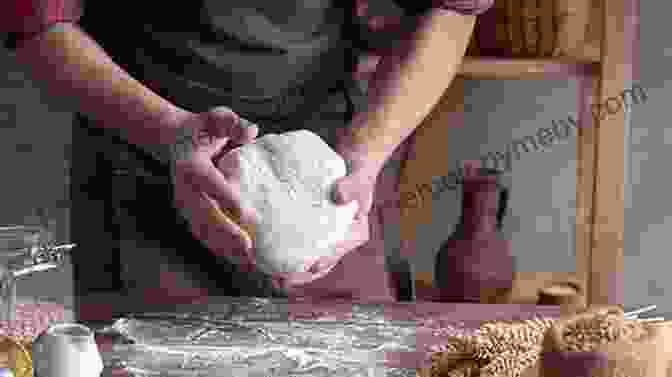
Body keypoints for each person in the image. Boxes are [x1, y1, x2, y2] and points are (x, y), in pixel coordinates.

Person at [2, 0, 493, 309]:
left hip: (329, 170)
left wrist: (363, 157)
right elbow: (36, 23)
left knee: (346, 355)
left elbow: (453, 8)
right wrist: (170, 133)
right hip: (141, 163)